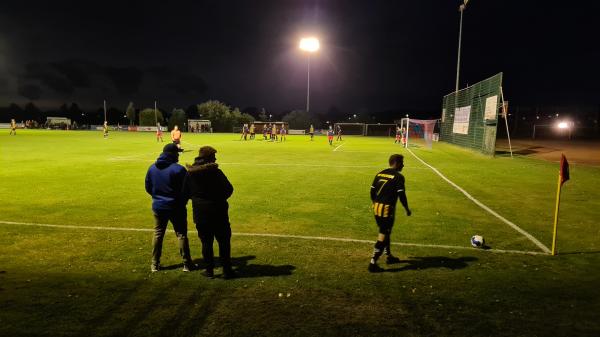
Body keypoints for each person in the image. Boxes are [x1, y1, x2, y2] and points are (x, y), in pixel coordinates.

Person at [183, 146, 236, 279]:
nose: (215, 159)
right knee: (223, 241)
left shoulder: (191, 173)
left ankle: (209, 270)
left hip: (201, 213)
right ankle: (226, 270)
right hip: (219, 211)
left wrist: (197, 199)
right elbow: (229, 189)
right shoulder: (216, 173)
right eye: (213, 157)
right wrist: (219, 198)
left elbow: (185, 192)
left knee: (206, 242)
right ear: (209, 158)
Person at [145, 144, 194, 272]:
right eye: (177, 153)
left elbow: (148, 188)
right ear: (172, 154)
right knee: (181, 234)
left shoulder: (152, 168)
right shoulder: (178, 169)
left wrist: (157, 196)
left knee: (158, 234)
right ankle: (187, 264)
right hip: (176, 207)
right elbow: (187, 189)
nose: (178, 155)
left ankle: (154, 265)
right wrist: (182, 201)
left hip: (158, 206)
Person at [368, 154, 411, 273]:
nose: (403, 165)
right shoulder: (398, 176)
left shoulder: (380, 173)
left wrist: (374, 203)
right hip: (387, 209)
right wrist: (406, 208)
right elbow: (401, 194)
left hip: (377, 208)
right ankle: (373, 263)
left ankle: (389, 256)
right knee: (383, 234)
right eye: (402, 162)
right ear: (396, 163)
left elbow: (372, 191)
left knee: (386, 232)